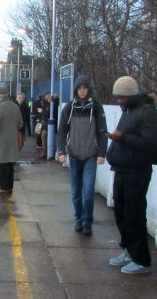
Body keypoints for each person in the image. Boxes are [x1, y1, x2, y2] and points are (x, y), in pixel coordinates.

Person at [106, 76, 157, 274]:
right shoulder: (129, 111)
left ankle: (142, 259)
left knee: (134, 214)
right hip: (123, 169)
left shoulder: (147, 114)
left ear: (131, 95)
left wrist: (123, 138)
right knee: (122, 213)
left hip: (137, 172)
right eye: (117, 98)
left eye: (122, 98)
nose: (119, 101)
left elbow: (151, 144)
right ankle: (129, 250)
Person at [56, 75, 108, 236]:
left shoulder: (97, 108)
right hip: (74, 154)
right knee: (76, 192)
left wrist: (102, 153)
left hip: (91, 155)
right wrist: (61, 151)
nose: (83, 91)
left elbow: (102, 132)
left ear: (89, 89)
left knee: (88, 191)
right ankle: (78, 217)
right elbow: (62, 131)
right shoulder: (70, 108)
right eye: (80, 88)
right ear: (76, 90)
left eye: (85, 88)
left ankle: (87, 220)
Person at [0, 87, 23, 196]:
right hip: (12, 141)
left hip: (0, 142)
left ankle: (3, 187)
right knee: (9, 165)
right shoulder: (15, 107)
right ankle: (9, 187)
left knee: (1, 165)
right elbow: (20, 124)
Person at [37, 91, 51, 159]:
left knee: (43, 135)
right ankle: (39, 144)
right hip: (42, 122)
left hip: (47, 123)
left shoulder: (50, 104)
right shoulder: (46, 104)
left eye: (46, 96)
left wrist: (42, 111)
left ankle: (44, 151)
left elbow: (47, 114)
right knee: (38, 132)